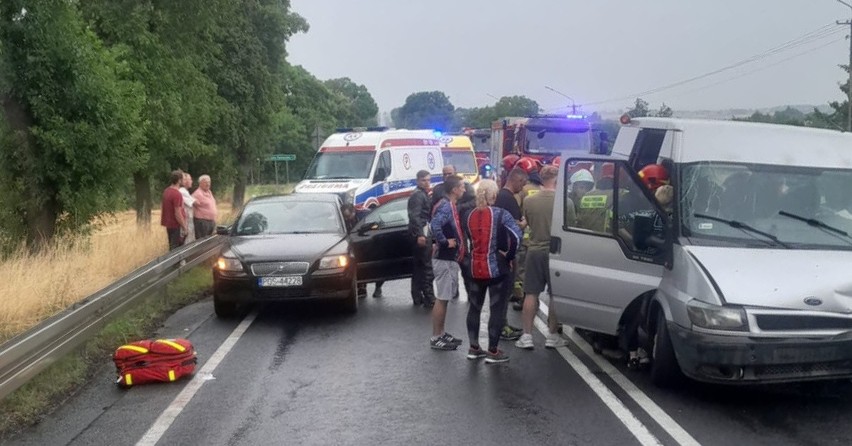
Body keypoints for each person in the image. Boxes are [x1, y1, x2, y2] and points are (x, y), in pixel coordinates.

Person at [463, 179, 522, 363]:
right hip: (497, 268)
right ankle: (493, 351)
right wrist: (509, 256)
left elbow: (467, 240)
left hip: (474, 268)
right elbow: (516, 237)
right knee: (496, 309)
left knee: (475, 307)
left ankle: (474, 348)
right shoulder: (501, 214)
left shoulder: (469, 215)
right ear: (494, 195)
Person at [515, 166, 568, 350]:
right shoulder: (564, 201)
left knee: (531, 293)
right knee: (555, 295)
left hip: (534, 250)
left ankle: (527, 335)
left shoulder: (529, 200)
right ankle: (552, 336)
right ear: (556, 179)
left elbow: (526, 222)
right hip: (556, 252)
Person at [428, 174, 468, 350]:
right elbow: (435, 226)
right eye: (462, 187)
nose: (464, 190)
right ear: (454, 190)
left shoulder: (448, 204)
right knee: (442, 298)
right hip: (443, 257)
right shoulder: (446, 206)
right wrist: (445, 242)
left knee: (445, 297)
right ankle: (436, 337)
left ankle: (442, 333)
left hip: (447, 257)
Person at [493, 167, 528, 341]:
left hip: (500, 250)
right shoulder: (509, 199)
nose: (522, 187)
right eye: (522, 183)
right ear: (516, 179)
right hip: (507, 252)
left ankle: (502, 324)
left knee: (502, 294)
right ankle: (501, 327)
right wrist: (522, 224)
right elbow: (514, 226)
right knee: (504, 293)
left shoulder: (500, 197)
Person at [407, 170, 436, 307]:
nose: (427, 183)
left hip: (421, 231)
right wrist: (420, 234)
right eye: (424, 180)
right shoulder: (418, 196)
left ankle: (418, 296)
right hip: (422, 232)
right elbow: (415, 216)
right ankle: (429, 297)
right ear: (418, 180)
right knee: (426, 266)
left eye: (429, 180)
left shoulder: (421, 194)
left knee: (419, 267)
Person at [345, 203, 385, 299]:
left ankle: (378, 287)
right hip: (356, 245)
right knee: (359, 266)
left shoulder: (366, 215)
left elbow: (379, 224)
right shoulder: (344, 220)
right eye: (345, 217)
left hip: (370, 242)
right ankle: (361, 287)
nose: (347, 219)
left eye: (348, 216)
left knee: (378, 267)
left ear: (354, 212)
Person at [161, 170, 188, 250]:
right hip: (176, 225)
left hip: (169, 225)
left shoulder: (166, 191)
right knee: (176, 249)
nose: (184, 180)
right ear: (179, 180)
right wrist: (184, 227)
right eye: (183, 179)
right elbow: (177, 213)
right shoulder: (177, 194)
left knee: (172, 246)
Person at [192, 174, 218, 238]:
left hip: (211, 222)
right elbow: (191, 203)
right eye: (205, 182)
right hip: (202, 222)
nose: (208, 184)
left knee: (210, 242)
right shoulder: (197, 193)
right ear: (200, 183)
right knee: (202, 242)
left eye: (209, 182)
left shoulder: (209, 192)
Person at [179, 173, 196, 244]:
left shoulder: (186, 192)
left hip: (188, 220)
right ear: (185, 181)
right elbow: (194, 202)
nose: (192, 181)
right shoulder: (182, 191)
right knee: (187, 242)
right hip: (186, 221)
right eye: (190, 179)